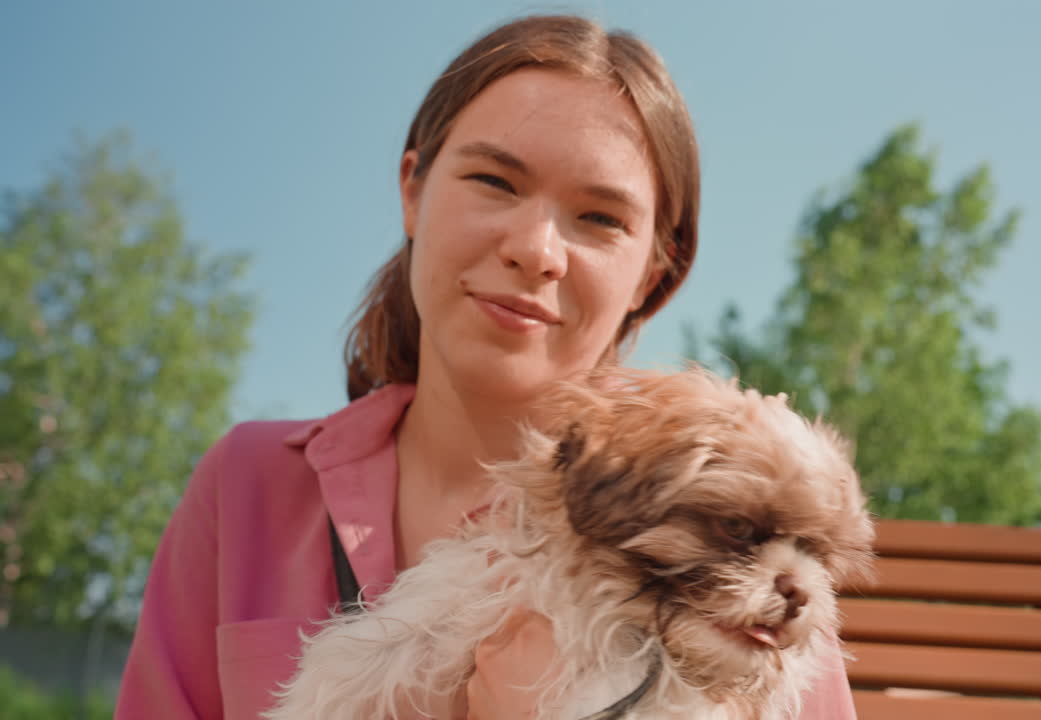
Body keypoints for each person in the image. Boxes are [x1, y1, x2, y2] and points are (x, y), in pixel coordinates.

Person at [116, 14, 857, 720]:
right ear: (413, 191)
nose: (535, 249)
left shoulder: (757, 571)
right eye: (495, 182)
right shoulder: (247, 484)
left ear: (654, 276)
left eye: (599, 218)